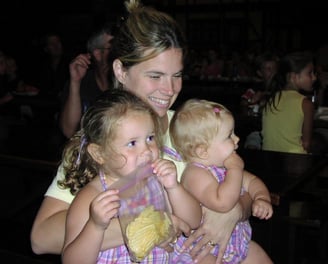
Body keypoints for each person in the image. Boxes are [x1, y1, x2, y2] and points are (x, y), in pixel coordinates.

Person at [31, 1, 253, 263]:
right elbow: (41, 238)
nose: (170, 89)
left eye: (177, 75)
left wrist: (235, 211)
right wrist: (153, 223)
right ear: (120, 71)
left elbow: (245, 183)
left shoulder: (188, 126)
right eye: (156, 76)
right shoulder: (101, 140)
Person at [60, 89, 201, 263]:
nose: (147, 150)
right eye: (132, 143)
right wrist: (95, 226)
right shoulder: (92, 198)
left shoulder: (156, 180)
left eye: (150, 138)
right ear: (99, 154)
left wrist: (174, 187)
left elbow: (193, 221)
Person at [169, 98, 273, 263]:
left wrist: (261, 198)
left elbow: (253, 181)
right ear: (202, 151)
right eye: (229, 136)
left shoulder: (224, 167)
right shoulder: (195, 174)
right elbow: (223, 203)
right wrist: (235, 169)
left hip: (238, 244)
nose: (237, 138)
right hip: (203, 251)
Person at [59, 22, 114, 138]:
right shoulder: (82, 82)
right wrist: (75, 82)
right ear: (98, 54)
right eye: (113, 48)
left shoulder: (126, 81)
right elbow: (69, 131)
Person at [261, 51, 317, 154]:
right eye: (310, 73)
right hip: (295, 160)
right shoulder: (306, 104)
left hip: (268, 159)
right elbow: (306, 145)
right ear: (293, 76)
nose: (314, 78)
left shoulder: (271, 99)